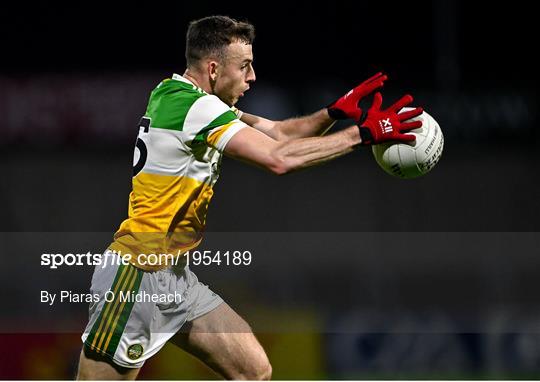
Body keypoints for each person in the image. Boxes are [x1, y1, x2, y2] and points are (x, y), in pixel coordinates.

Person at [76, 15, 423, 380]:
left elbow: (278, 134)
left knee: (253, 370)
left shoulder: (178, 96)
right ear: (213, 69)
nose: (252, 76)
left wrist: (332, 113)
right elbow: (279, 159)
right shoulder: (199, 108)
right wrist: (362, 135)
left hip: (174, 278)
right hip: (137, 276)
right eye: (244, 66)